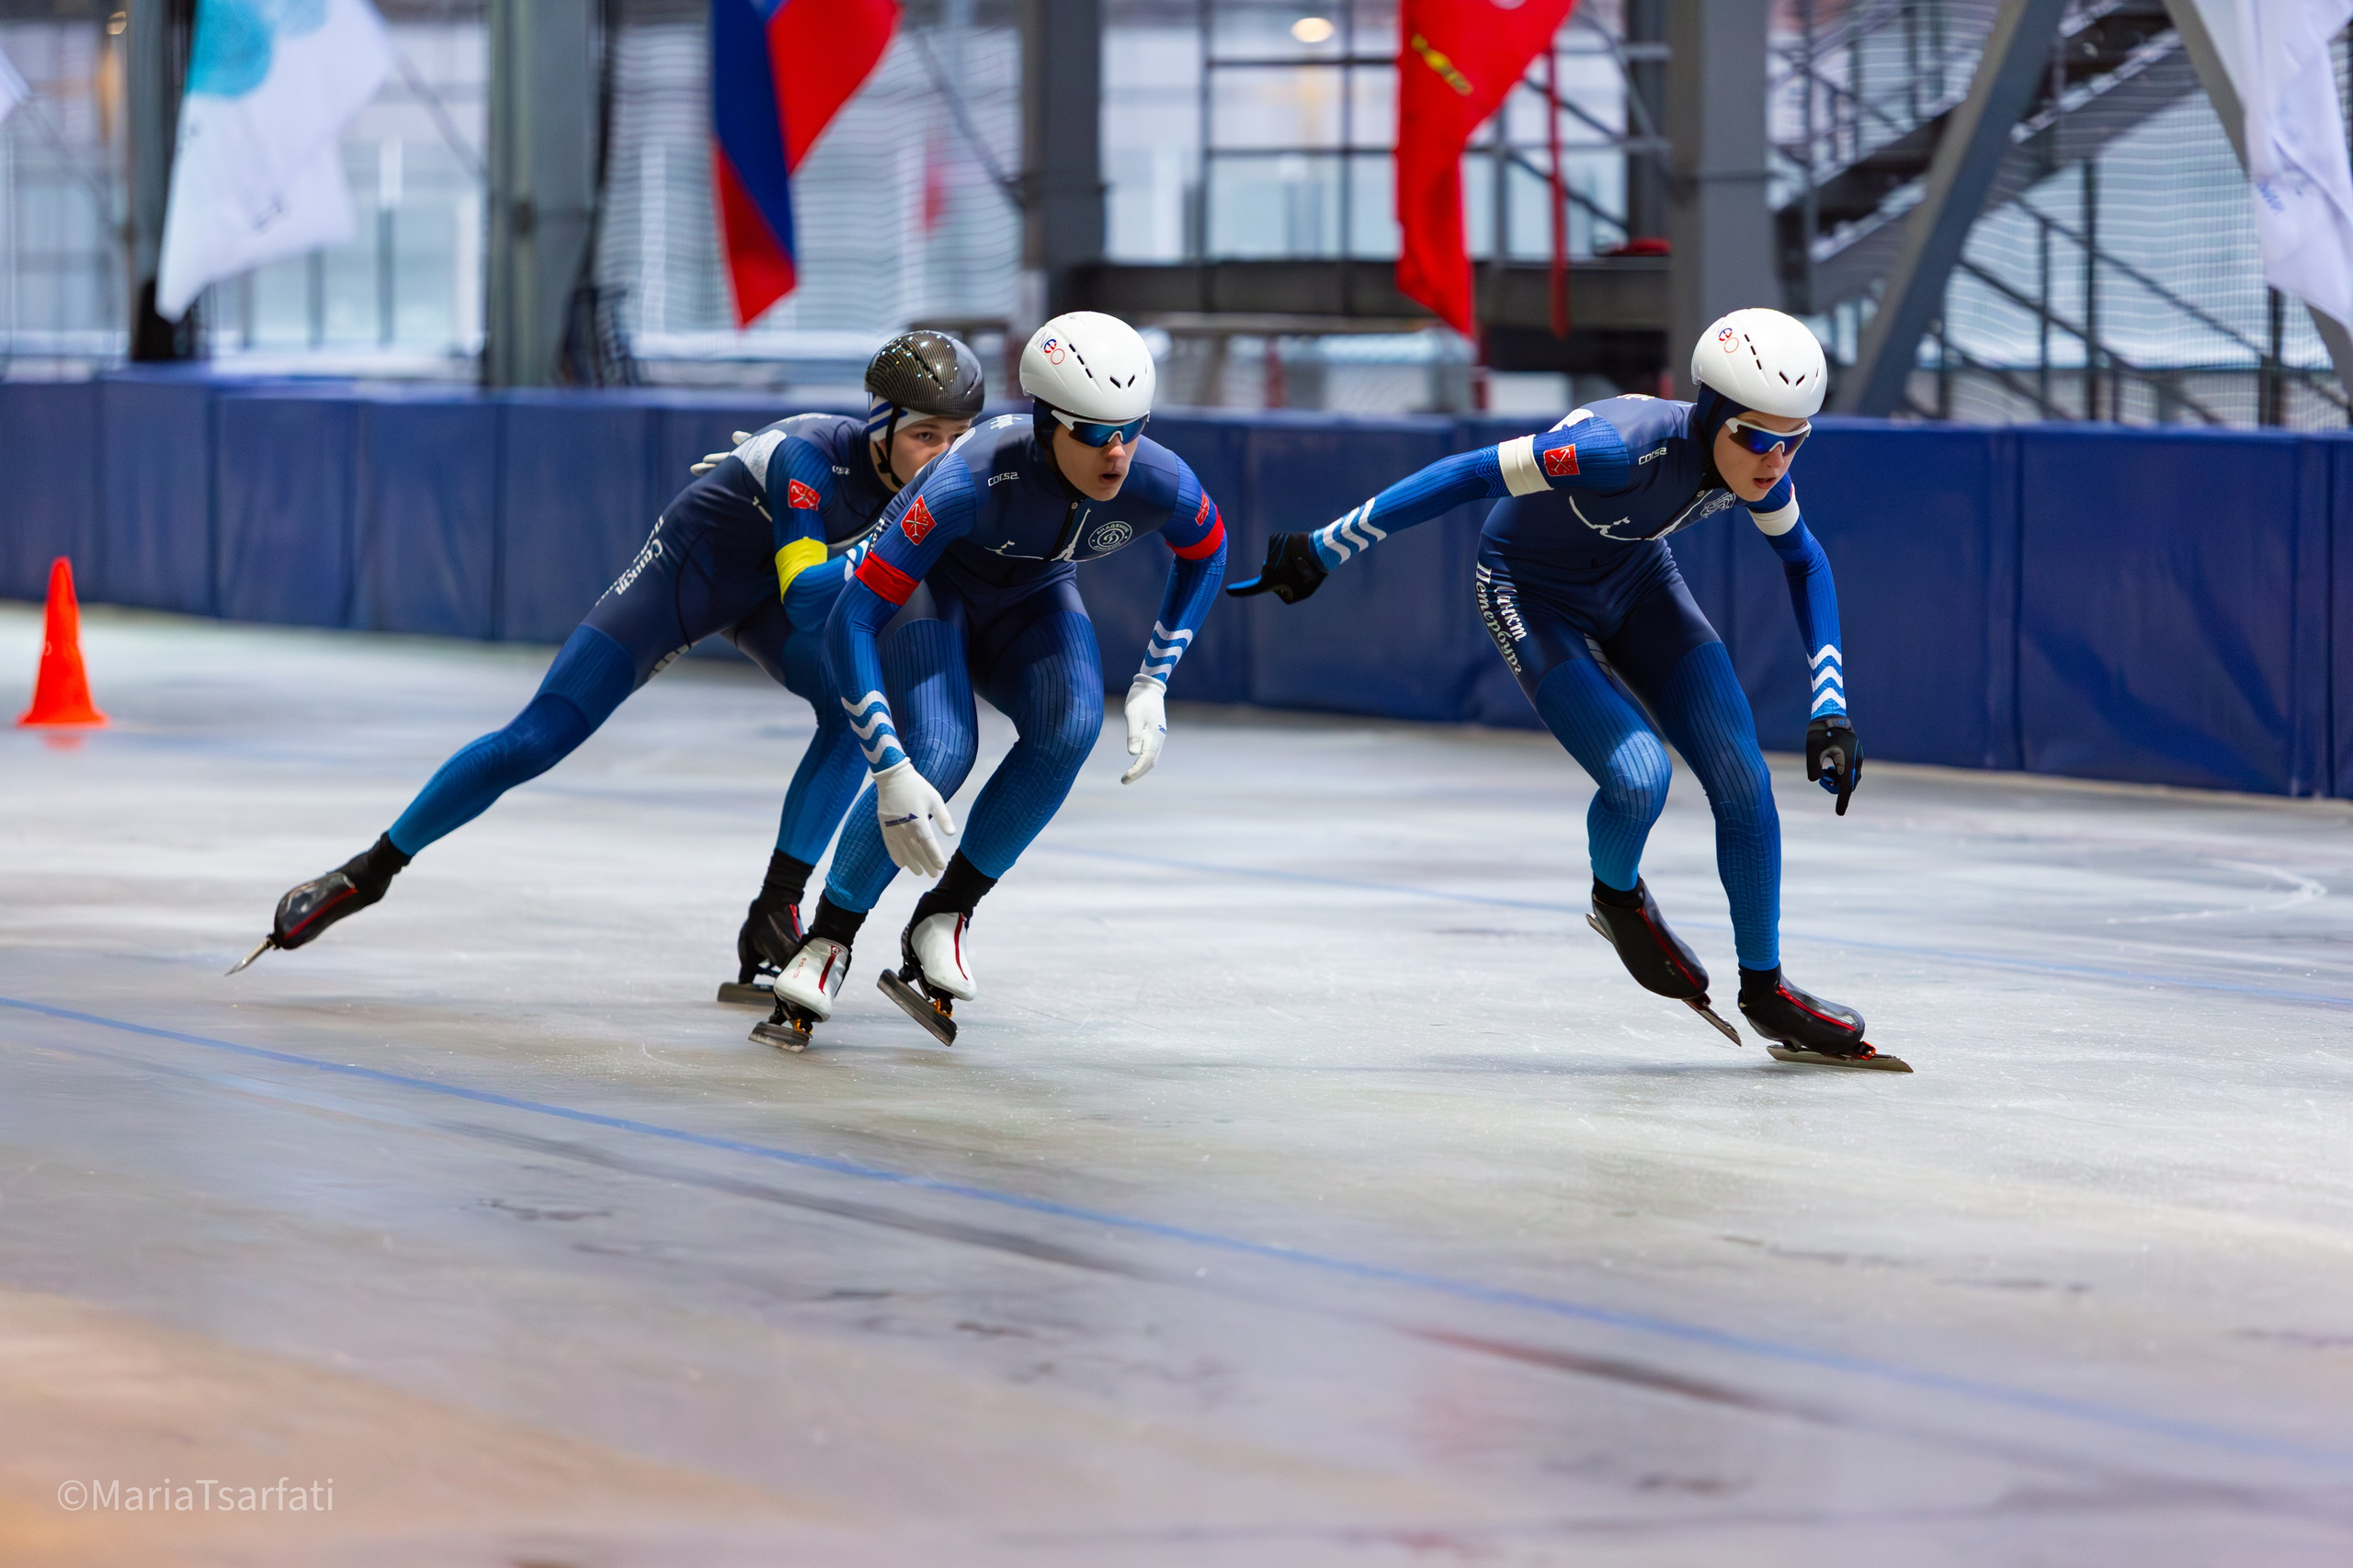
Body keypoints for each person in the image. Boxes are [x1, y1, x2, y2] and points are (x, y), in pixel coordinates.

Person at [1230, 308, 1904, 1071]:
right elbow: (1467, 474)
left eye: (1794, 441)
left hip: (1638, 578)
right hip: (1528, 588)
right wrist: (1325, 546)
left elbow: (1806, 563)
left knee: (1745, 780)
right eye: (1754, 436)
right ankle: (1615, 900)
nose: (1773, 461)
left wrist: (1831, 705)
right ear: (1714, 414)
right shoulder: (1613, 451)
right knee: (1638, 776)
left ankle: (1766, 988)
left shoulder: (1758, 469)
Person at [231, 332, 987, 990]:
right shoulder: (808, 458)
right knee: (537, 738)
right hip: (688, 579)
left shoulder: (928, 482)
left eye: (961, 437)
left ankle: (774, 909)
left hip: (761, 588)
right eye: (928, 436)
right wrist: (883, 534)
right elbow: (809, 604)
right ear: (881, 426)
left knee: (850, 708)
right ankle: (370, 870)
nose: (944, 458)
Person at [758, 310, 1227, 1050]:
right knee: (940, 752)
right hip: (934, 593)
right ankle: (827, 940)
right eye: (1096, 434)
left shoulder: (1159, 479)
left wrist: (1152, 682)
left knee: (1071, 728)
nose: (1119, 454)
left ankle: (946, 913)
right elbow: (850, 619)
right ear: (1047, 422)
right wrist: (887, 765)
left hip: (1033, 594)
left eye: (1133, 428)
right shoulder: (964, 483)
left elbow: (1209, 550)